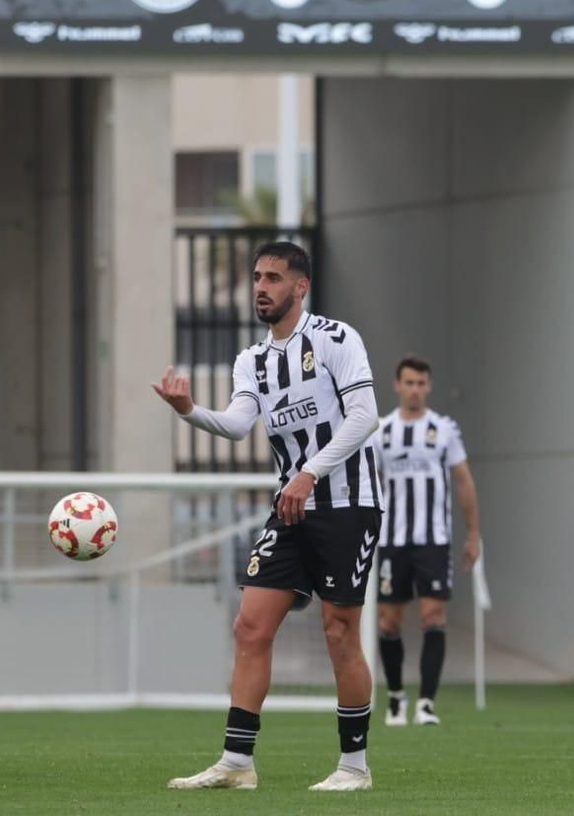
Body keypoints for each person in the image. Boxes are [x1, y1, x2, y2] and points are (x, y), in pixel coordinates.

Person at [153, 241, 383, 793]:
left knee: (339, 632)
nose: (262, 286)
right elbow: (236, 425)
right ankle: (237, 762)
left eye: (274, 278)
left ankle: (355, 767)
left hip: (348, 503)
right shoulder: (251, 359)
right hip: (291, 507)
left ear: (300, 287)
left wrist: (310, 472)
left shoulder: (335, 338)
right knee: (250, 626)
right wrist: (189, 412)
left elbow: (365, 416)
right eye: (257, 276)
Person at [373, 355, 480, 727]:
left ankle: (427, 703)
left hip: (433, 540)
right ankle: (397, 698)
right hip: (392, 539)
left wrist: (473, 534)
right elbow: (370, 485)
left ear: (428, 387)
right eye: (409, 382)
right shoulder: (381, 430)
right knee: (388, 620)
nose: (415, 389)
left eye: (421, 383)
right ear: (397, 385)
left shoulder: (444, 429)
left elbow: (463, 480)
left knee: (433, 614)